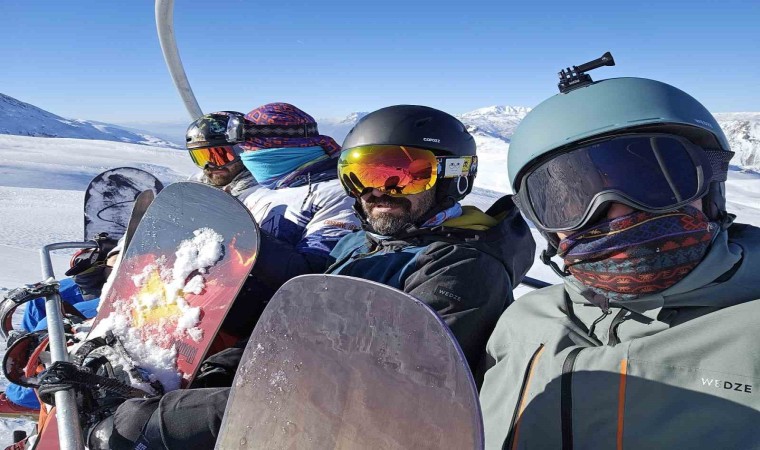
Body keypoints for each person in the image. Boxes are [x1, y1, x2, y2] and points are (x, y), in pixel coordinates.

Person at [479, 73, 760, 449]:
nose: (618, 214)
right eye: (569, 201)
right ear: (546, 227)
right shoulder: (520, 322)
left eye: (653, 181)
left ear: (711, 189)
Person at [107, 103, 360, 449]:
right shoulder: (264, 188)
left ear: (280, 146)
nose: (246, 156)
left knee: (178, 398)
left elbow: (312, 275)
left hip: (261, 319)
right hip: (207, 305)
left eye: (250, 147)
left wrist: (238, 234)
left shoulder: (334, 194)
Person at [327, 104, 536, 374]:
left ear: (453, 177)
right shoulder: (360, 241)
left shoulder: (463, 267)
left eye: (402, 177)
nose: (375, 192)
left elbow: (401, 373)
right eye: (360, 176)